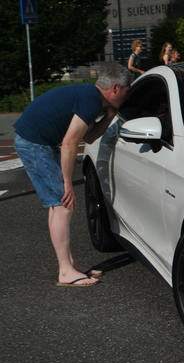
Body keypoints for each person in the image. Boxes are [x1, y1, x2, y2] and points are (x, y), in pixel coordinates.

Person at [13, 63, 132, 287]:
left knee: (56, 204)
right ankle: (65, 271)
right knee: (64, 204)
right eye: (127, 91)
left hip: (33, 140)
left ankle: (68, 266)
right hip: (34, 144)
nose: (128, 96)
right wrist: (67, 182)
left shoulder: (91, 98)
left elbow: (88, 137)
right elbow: (69, 143)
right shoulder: (90, 100)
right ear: (115, 88)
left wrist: (109, 117)